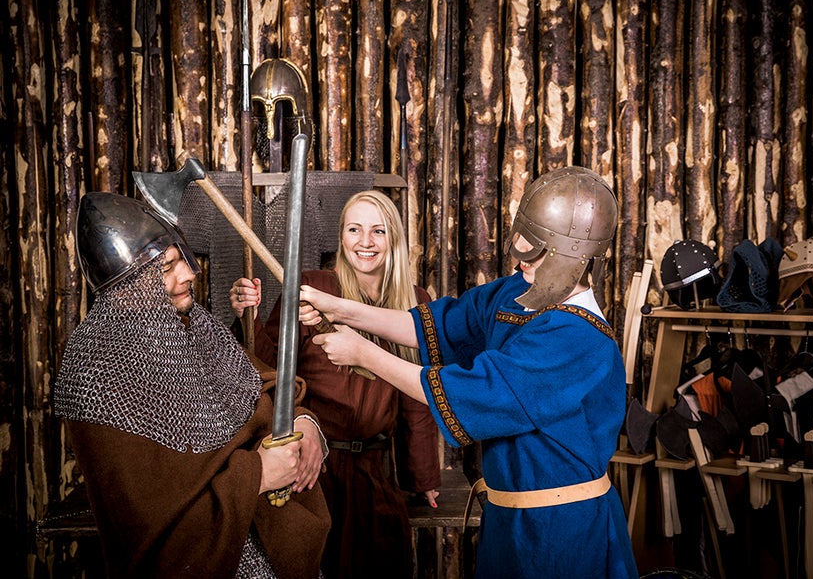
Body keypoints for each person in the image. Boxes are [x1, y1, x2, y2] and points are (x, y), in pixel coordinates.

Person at [298, 167, 640, 579]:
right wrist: (343, 309)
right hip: (506, 521)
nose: (521, 258)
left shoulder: (577, 337)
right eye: (522, 240)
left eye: (537, 251)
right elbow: (439, 325)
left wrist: (364, 354)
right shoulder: (515, 292)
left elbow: (473, 390)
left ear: (573, 256)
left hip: (562, 530)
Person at [54, 192, 331, 579]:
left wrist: (304, 422)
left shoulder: (192, 322)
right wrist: (259, 474)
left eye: (180, 258)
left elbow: (259, 388)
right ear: (129, 285)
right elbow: (146, 517)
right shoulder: (97, 367)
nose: (189, 273)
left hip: (274, 542)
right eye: (166, 267)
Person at [230, 189, 441, 579]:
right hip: (314, 467)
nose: (365, 242)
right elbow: (270, 365)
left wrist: (423, 477)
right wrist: (250, 315)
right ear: (341, 236)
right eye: (354, 229)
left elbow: (418, 398)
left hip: (374, 471)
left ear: (393, 237)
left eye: (378, 231)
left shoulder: (415, 303)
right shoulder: (313, 287)